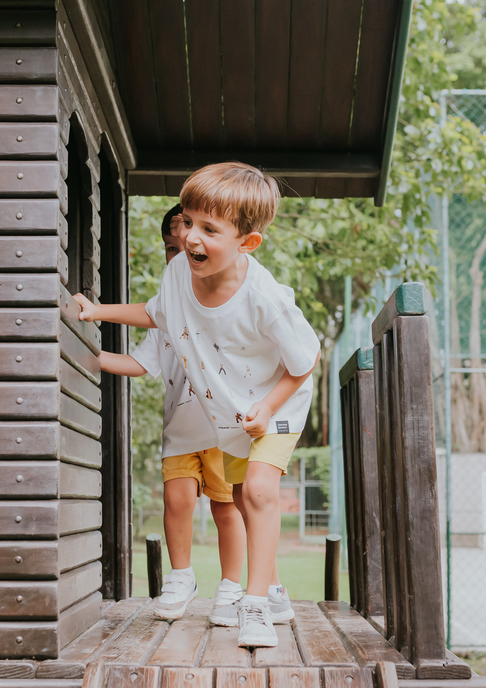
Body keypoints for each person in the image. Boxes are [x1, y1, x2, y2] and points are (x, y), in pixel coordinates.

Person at [75, 162, 321, 648]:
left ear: (247, 242)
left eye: (209, 229)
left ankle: (255, 605)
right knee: (242, 500)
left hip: (279, 402)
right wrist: (95, 310)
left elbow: (305, 360)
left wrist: (268, 407)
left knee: (257, 491)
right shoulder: (178, 273)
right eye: (188, 222)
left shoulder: (263, 297)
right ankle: (274, 594)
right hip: (232, 412)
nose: (190, 237)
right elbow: (155, 313)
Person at [96, 205, 248, 623]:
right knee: (176, 501)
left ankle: (232, 587)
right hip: (180, 430)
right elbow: (141, 363)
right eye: (171, 247)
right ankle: (181, 578)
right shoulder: (167, 309)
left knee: (227, 508)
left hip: (224, 430)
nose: (181, 253)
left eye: (189, 246)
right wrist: (93, 357)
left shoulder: (227, 297)